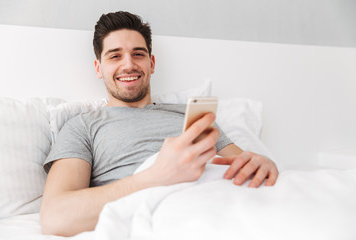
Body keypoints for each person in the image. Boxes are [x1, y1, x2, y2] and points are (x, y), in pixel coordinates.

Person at [40, 11, 279, 237]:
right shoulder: (82, 126)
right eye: (115, 56)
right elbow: (55, 217)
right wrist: (156, 176)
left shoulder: (190, 115)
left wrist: (261, 162)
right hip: (170, 215)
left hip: (225, 203)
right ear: (98, 68)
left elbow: (243, 165)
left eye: (138, 54)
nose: (128, 65)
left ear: (151, 63)